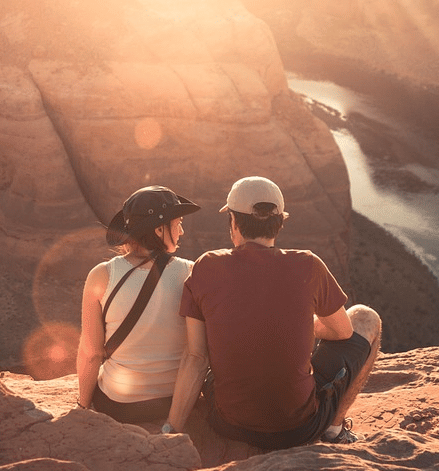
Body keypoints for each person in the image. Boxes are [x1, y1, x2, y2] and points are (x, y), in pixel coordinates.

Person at [162, 176, 382, 448]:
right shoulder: (309, 265)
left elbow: (196, 356)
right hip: (299, 429)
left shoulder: (206, 266)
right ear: (279, 222)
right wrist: (305, 325)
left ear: (233, 222)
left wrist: (171, 432)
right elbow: (343, 331)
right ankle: (334, 430)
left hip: (228, 423)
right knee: (366, 317)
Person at [75, 185, 200, 423]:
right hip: (174, 401)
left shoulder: (101, 275)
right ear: (159, 229)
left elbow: (91, 353)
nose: (182, 231)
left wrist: (82, 406)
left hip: (119, 405)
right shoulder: (191, 272)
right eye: (178, 223)